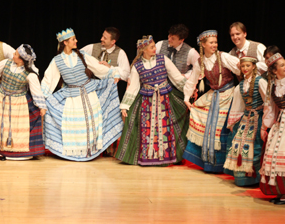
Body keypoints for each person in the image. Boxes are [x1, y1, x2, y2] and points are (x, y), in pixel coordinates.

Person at [41, 28, 123, 161]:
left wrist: (113, 73)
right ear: (65, 43)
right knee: (73, 123)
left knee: (91, 122)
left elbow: (97, 67)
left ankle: (90, 150)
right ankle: (75, 152)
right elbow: (48, 80)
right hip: (71, 95)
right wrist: (41, 99)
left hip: (89, 91)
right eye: (73, 39)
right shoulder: (57, 60)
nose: (76, 41)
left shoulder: (81, 55)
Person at [116, 35, 189, 165]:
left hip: (165, 99)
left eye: (154, 46)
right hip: (147, 102)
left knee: (169, 127)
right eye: (151, 47)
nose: (155, 49)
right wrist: (125, 106)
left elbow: (176, 77)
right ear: (144, 50)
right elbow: (133, 87)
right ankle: (149, 157)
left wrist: (189, 91)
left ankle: (171, 156)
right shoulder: (137, 67)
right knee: (147, 128)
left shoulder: (163, 59)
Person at [183, 30, 240, 173]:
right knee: (201, 115)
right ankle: (208, 162)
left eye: (215, 42)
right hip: (214, 94)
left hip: (227, 94)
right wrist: (186, 97)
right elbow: (192, 80)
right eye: (211, 42)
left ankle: (223, 166)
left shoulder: (223, 57)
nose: (214, 45)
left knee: (221, 128)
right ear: (203, 45)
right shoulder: (200, 62)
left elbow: (240, 68)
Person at [0, 44, 46, 160]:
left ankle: (11, 150)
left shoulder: (30, 74)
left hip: (18, 102)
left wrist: (42, 107)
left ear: (21, 60)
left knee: (13, 127)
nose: (13, 54)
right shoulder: (6, 63)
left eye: (16, 54)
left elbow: (36, 91)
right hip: (0, 98)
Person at [223, 56, 266, 186]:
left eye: (248, 66)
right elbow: (238, 104)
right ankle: (243, 179)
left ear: (253, 66)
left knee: (256, 147)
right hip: (247, 118)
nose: (245, 68)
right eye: (243, 66)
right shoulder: (241, 85)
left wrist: (265, 122)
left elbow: (267, 101)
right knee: (240, 147)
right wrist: (233, 122)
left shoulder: (260, 81)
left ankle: (256, 178)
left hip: (258, 118)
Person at [259, 52, 285, 204]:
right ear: (274, 70)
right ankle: (280, 191)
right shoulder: (273, 85)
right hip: (280, 122)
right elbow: (270, 108)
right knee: (273, 154)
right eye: (282, 65)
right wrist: (265, 127)